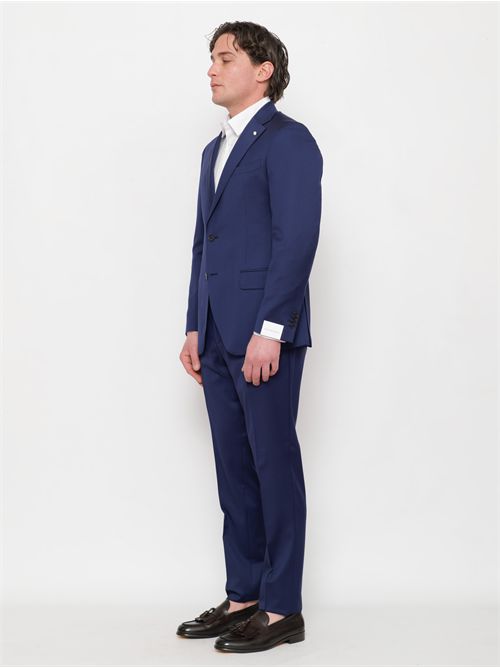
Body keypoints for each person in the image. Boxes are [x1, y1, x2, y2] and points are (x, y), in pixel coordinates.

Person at [178, 20, 323, 654]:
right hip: (216, 334)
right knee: (233, 469)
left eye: (225, 58)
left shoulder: (289, 141)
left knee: (273, 464)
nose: (212, 69)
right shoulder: (213, 151)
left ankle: (283, 607)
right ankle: (244, 596)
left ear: (263, 71)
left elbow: (297, 240)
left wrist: (271, 330)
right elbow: (202, 245)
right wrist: (194, 323)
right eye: (211, 58)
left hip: (264, 336)